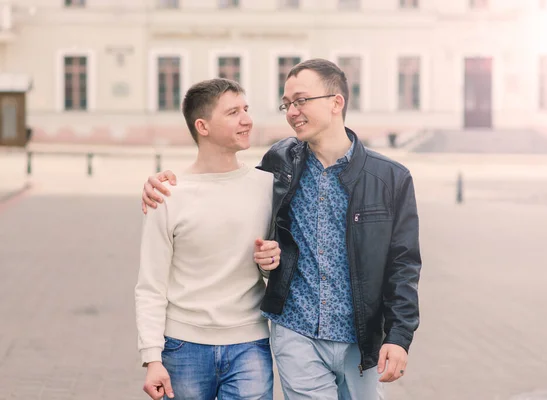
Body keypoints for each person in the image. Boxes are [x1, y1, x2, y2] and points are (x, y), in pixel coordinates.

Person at [142, 59, 422, 400]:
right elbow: (221, 182)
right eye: (286, 103)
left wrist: (398, 336)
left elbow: (403, 265)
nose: (291, 112)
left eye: (301, 100)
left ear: (336, 102)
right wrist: (162, 184)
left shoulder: (390, 178)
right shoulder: (280, 164)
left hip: (360, 339)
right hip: (296, 334)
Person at [135, 78, 281, 400]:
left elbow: (276, 270)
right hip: (182, 346)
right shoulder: (168, 194)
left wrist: (273, 262)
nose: (247, 119)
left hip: (250, 345)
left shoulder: (268, 187)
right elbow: (150, 285)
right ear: (202, 126)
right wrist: (151, 357)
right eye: (232, 112)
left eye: (246, 109)